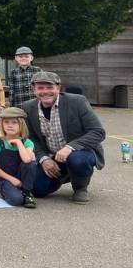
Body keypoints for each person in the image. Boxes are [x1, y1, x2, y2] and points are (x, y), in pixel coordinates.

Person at [22, 71, 106, 204]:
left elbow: (98, 132)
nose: (45, 92)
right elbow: (31, 137)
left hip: (80, 151)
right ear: (34, 90)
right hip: (52, 155)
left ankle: (80, 187)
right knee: (38, 190)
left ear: (58, 88)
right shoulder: (28, 107)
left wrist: (69, 147)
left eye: (50, 87)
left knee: (77, 160)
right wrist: (43, 159)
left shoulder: (77, 101)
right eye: (40, 88)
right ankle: (66, 172)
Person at [0, 107, 37, 208]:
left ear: (21, 125)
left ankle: (27, 192)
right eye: (6, 122)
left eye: (14, 122)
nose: (10, 125)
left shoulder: (27, 142)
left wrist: (19, 143)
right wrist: (11, 179)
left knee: (31, 164)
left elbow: (27, 160)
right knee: (16, 200)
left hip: (22, 177)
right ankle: (15, 192)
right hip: (5, 178)